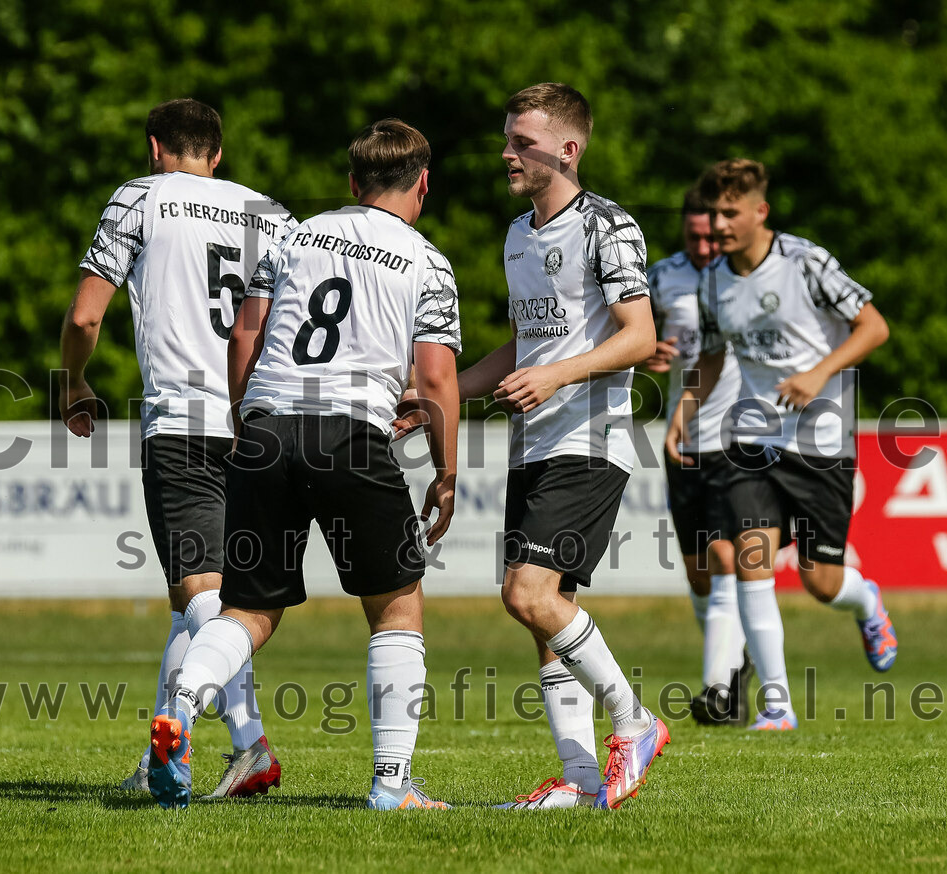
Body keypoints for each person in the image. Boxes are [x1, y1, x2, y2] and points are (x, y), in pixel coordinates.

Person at [147, 119, 461, 811]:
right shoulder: (426, 260)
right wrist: (445, 472)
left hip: (266, 428)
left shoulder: (294, 236)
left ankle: (183, 707)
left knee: (249, 607)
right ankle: (392, 786)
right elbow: (437, 378)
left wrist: (245, 418)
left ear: (352, 182)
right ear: (423, 184)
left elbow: (247, 333)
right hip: (349, 433)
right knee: (396, 606)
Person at [59, 98, 294, 797]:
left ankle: (251, 744)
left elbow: (86, 315)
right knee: (184, 599)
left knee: (202, 594)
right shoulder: (271, 213)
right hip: (263, 423)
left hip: (185, 421)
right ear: (217, 154)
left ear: (154, 147)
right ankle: (155, 757)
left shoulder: (141, 197)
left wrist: (73, 380)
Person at [456, 83, 667, 810]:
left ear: (568, 150)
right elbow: (526, 343)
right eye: (507, 139)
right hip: (532, 444)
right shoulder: (518, 234)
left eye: (523, 142)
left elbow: (639, 336)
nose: (507, 153)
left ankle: (635, 721)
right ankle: (580, 780)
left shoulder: (608, 225)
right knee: (541, 612)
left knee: (529, 592)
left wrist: (556, 375)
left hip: (589, 437)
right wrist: (440, 396)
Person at [665, 158, 897, 731]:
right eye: (713, 213)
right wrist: (685, 411)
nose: (718, 224)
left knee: (821, 581)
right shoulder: (713, 279)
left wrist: (818, 374)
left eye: (730, 213)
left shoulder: (805, 262)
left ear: (760, 212)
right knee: (750, 560)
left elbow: (874, 327)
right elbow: (714, 354)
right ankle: (778, 706)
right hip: (753, 439)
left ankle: (867, 602)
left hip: (822, 442)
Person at [646, 188, 751, 725]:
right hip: (684, 436)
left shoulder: (749, 277)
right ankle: (737, 657)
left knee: (727, 557)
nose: (706, 246)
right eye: (695, 237)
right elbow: (628, 334)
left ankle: (718, 688)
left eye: (712, 236)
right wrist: (647, 352)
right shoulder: (661, 277)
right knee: (699, 575)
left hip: (743, 436)